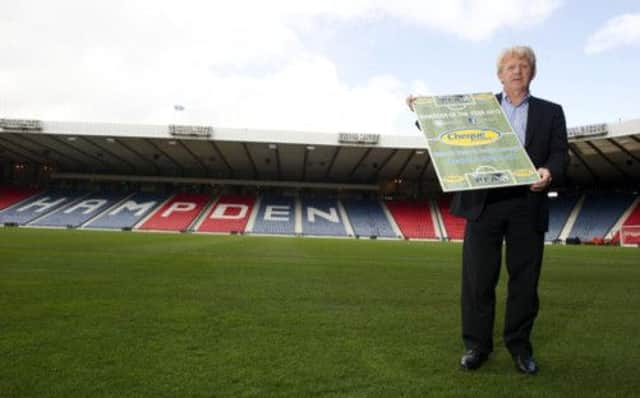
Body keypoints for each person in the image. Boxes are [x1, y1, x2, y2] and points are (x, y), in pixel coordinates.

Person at [407, 45, 568, 374]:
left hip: (528, 203)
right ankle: (476, 346)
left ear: (532, 73)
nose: (517, 70)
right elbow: (447, 134)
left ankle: (520, 347)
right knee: (478, 281)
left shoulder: (552, 112)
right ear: (499, 75)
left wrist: (548, 172)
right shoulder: (481, 108)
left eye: (523, 65)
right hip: (485, 204)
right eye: (510, 66)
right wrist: (424, 112)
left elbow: (560, 154)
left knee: (524, 282)